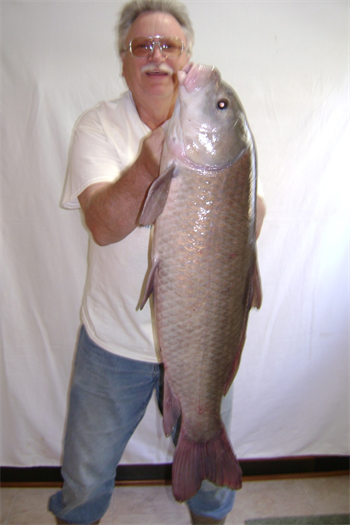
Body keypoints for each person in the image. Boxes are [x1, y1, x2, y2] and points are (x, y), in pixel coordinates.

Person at [49, 1, 266, 524]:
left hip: (203, 340)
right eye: (142, 46)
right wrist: (151, 163)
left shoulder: (226, 147)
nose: (157, 57)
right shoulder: (96, 127)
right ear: (123, 60)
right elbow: (102, 225)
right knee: (84, 480)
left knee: (211, 485)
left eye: (170, 45)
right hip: (113, 345)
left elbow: (252, 214)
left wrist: (241, 219)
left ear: (187, 55)